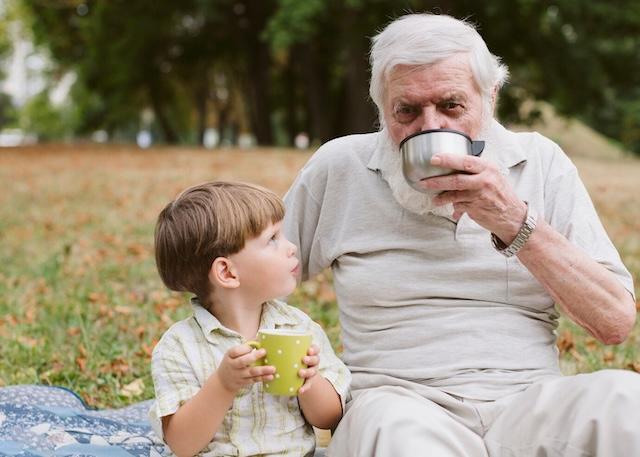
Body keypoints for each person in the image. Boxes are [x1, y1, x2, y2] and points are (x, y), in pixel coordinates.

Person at [283, 13, 639, 457]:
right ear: (382, 109)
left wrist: (513, 221)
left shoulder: (541, 163)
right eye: (407, 111)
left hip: (528, 406)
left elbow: (614, 321)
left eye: (450, 106)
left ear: (489, 97)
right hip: (401, 406)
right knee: (389, 429)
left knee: (627, 403)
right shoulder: (340, 168)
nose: (430, 127)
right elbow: (250, 276)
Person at [149, 181, 350, 457]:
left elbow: (329, 418)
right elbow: (181, 445)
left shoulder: (298, 328)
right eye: (272, 239)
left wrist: (309, 381)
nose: (290, 247)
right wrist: (222, 384)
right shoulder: (179, 347)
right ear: (228, 273)